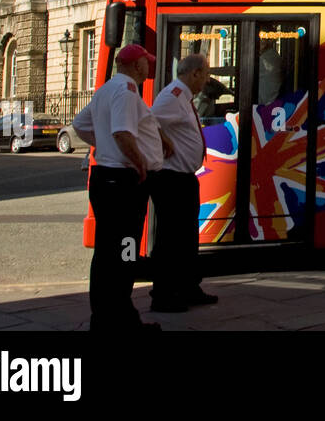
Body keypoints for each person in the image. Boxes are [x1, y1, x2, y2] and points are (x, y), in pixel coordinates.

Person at [71, 44, 166, 332]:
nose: (149, 67)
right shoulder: (126, 91)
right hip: (123, 183)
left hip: (105, 178)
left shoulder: (105, 89)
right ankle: (121, 318)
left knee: (106, 252)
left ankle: (104, 316)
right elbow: (123, 132)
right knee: (125, 250)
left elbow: (79, 124)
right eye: (146, 62)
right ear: (136, 65)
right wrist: (137, 162)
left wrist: (105, 146)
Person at [148, 54, 219, 313]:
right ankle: (163, 295)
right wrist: (164, 141)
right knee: (171, 239)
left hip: (183, 177)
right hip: (171, 178)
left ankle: (189, 288)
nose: (208, 79)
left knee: (187, 238)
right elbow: (148, 121)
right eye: (207, 73)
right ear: (195, 73)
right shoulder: (173, 94)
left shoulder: (182, 96)